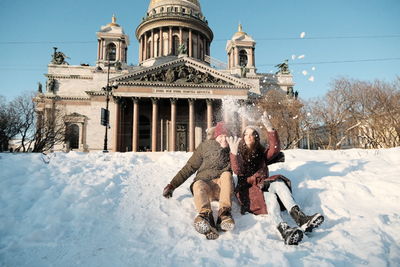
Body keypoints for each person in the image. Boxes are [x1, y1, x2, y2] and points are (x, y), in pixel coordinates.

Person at [227, 112, 324, 245]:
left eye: (252, 134)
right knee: (271, 198)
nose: (249, 137)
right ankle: (283, 229)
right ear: (243, 137)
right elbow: (238, 170)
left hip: (264, 184)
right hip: (250, 192)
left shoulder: (261, 153)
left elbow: (275, 149)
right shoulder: (240, 153)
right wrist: (233, 153)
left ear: (256, 137)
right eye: (246, 134)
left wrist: (270, 129)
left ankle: (301, 218)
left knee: (278, 183)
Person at [163, 122, 235, 240]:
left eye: (226, 136)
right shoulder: (205, 146)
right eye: (220, 136)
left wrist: (234, 152)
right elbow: (190, 167)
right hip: (205, 186)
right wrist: (172, 185)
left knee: (227, 174)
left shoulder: (233, 147)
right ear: (215, 136)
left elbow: (242, 166)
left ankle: (224, 213)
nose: (223, 139)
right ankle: (205, 215)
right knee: (197, 183)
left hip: (222, 187)